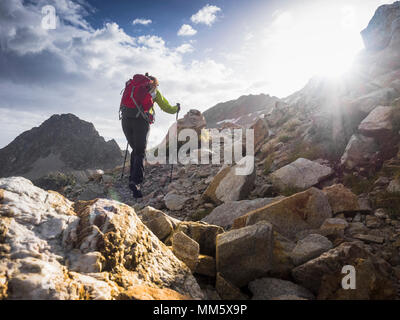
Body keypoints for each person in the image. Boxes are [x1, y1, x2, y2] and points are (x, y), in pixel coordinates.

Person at [120, 73, 180, 198]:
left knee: (135, 149)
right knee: (140, 152)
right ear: (155, 83)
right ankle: (136, 183)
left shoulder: (132, 86)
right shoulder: (154, 91)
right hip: (141, 121)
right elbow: (166, 107)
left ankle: (132, 179)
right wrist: (176, 109)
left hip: (126, 120)